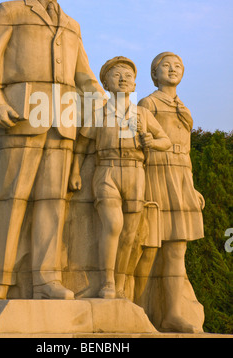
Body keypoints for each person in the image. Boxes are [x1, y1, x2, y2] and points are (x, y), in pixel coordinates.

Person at [0, 0, 104, 300]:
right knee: (11, 198)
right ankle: (0, 280)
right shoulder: (10, 10)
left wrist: (100, 105)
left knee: (51, 201)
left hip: (63, 119)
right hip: (21, 115)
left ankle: (46, 279)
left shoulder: (72, 24)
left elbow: (85, 76)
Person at [69, 56, 171, 299]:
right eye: (117, 74)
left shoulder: (143, 114)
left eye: (128, 75)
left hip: (136, 171)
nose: (124, 78)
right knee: (113, 225)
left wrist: (152, 142)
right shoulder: (99, 112)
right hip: (107, 170)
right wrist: (74, 171)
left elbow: (166, 140)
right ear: (106, 83)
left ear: (135, 84)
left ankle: (122, 282)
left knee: (130, 234)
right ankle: (107, 282)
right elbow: (82, 145)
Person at [138, 51, 204, 332]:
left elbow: (187, 151)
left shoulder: (184, 107)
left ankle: (173, 314)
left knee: (178, 250)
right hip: (156, 172)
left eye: (178, 66)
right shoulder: (147, 103)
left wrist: (191, 185)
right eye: (165, 65)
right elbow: (138, 145)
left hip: (180, 176)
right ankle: (138, 309)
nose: (172, 69)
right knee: (150, 248)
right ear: (154, 74)